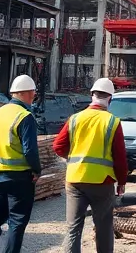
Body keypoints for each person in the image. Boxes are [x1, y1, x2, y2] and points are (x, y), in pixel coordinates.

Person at [53, 77, 127, 253]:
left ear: (92, 95)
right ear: (110, 98)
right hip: (102, 182)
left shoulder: (75, 118)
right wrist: (122, 181)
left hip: (75, 180)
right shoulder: (112, 122)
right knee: (103, 227)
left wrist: (73, 158)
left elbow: (58, 146)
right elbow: (120, 157)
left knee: (73, 227)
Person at [0, 74, 42, 253]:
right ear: (25, 93)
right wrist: (37, 170)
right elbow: (30, 150)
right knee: (17, 222)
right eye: (32, 93)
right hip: (19, 178)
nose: (33, 97)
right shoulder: (24, 116)